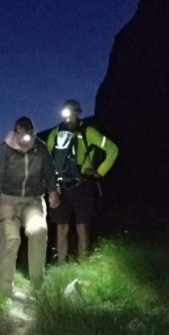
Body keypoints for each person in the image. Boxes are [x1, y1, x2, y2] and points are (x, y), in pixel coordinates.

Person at [0, 116, 60, 297]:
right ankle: (5, 291)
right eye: (20, 135)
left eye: (28, 136)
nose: (24, 140)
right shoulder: (5, 149)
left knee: (38, 231)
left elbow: (49, 171)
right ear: (15, 133)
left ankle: (37, 286)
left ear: (33, 133)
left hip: (32, 200)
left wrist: (53, 190)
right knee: (11, 240)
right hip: (8, 200)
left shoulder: (40, 148)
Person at [46, 99, 118, 262]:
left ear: (78, 114)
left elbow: (112, 149)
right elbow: (47, 159)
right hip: (61, 186)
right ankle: (61, 266)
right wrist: (52, 186)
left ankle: (83, 265)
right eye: (65, 114)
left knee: (82, 228)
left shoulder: (88, 132)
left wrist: (99, 172)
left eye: (71, 114)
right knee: (62, 228)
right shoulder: (56, 133)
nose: (68, 118)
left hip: (83, 185)